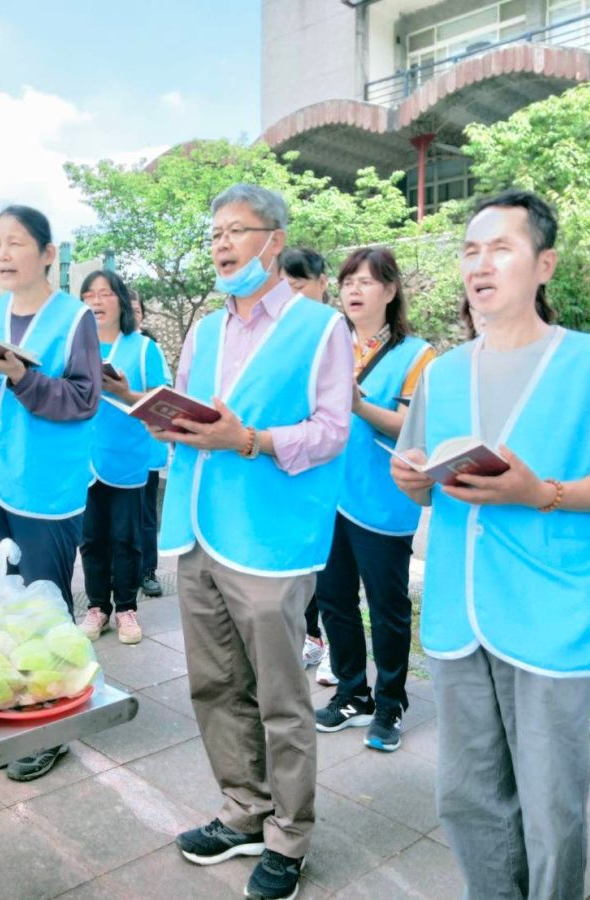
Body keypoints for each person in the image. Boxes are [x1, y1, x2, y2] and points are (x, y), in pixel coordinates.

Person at [391, 189, 590, 900]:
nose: (481, 265)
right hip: (460, 605)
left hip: (552, 610)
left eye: (500, 248)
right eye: (470, 251)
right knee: (468, 792)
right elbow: (422, 483)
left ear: (544, 265)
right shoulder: (442, 373)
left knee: (550, 803)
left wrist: (544, 493)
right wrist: (412, 480)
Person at [156, 184, 351, 900]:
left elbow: (332, 432)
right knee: (214, 685)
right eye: (213, 233)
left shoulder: (319, 327)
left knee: (280, 697)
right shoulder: (205, 331)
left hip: (270, 541)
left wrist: (250, 440)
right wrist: (168, 424)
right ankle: (243, 809)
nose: (221, 244)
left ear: (273, 240)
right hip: (198, 528)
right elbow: (192, 415)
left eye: (236, 231)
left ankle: (289, 838)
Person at [0, 204, 100, 782]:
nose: (3, 254)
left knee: (43, 608)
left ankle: (47, 726)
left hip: (41, 484)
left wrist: (20, 375)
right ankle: (0, 699)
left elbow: (83, 400)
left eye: (15, 243)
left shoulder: (74, 317)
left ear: (47, 254)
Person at [313, 247, 436, 752]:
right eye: (347, 283)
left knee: (386, 606)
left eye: (366, 282)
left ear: (390, 290)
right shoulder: (329, 344)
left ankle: (390, 701)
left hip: (383, 499)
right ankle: (351, 691)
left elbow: (412, 424)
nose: (354, 291)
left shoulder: (417, 354)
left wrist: (359, 405)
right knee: (333, 599)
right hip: (327, 493)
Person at [78, 270, 169, 644]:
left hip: (127, 458)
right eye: (89, 295)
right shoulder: (75, 347)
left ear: (120, 301)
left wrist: (126, 393)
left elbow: (162, 402)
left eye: (104, 294)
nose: (96, 301)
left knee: (125, 538)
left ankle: (127, 608)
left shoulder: (143, 347)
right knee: (91, 538)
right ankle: (97, 607)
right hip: (82, 461)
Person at [279, 247, 335, 680]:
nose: (291, 295)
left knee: (338, 576)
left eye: (299, 286)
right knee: (304, 567)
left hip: (339, 474)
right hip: (291, 471)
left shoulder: (334, 333)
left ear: (322, 284)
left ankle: (337, 648)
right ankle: (311, 637)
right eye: (286, 286)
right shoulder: (280, 338)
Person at [131, 289, 169, 599]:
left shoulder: (149, 349)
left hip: (146, 445)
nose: (132, 314)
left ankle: (147, 571)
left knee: (145, 514)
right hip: (110, 449)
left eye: (136, 309)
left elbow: (161, 397)